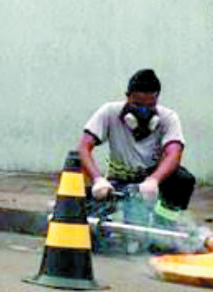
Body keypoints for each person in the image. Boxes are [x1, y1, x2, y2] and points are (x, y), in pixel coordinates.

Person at [77, 69, 196, 222]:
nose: (143, 111)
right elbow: (83, 147)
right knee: (86, 213)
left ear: (157, 98)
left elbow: (174, 153)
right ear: (127, 96)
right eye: (138, 104)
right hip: (119, 180)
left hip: (151, 180)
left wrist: (154, 180)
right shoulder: (109, 112)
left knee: (181, 180)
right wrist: (97, 179)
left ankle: (165, 226)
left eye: (150, 105)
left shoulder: (168, 118)